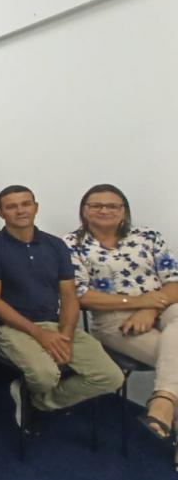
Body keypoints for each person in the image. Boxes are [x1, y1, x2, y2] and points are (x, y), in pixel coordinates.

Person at [0, 185, 122, 425]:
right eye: (11, 207)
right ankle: (38, 389)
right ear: (0, 213)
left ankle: (39, 402)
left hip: (54, 322)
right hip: (10, 325)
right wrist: (39, 334)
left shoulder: (56, 245)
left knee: (111, 377)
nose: (20, 211)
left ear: (36, 207)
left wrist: (64, 336)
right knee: (44, 376)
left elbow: (69, 295)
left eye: (25, 204)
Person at [64, 184, 178, 443]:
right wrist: (137, 302)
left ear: (124, 211)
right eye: (96, 205)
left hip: (162, 307)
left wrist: (148, 308)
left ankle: (163, 400)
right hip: (114, 320)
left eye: (113, 205)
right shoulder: (71, 244)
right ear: (84, 211)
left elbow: (174, 281)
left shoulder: (148, 236)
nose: (104, 210)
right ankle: (164, 404)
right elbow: (79, 294)